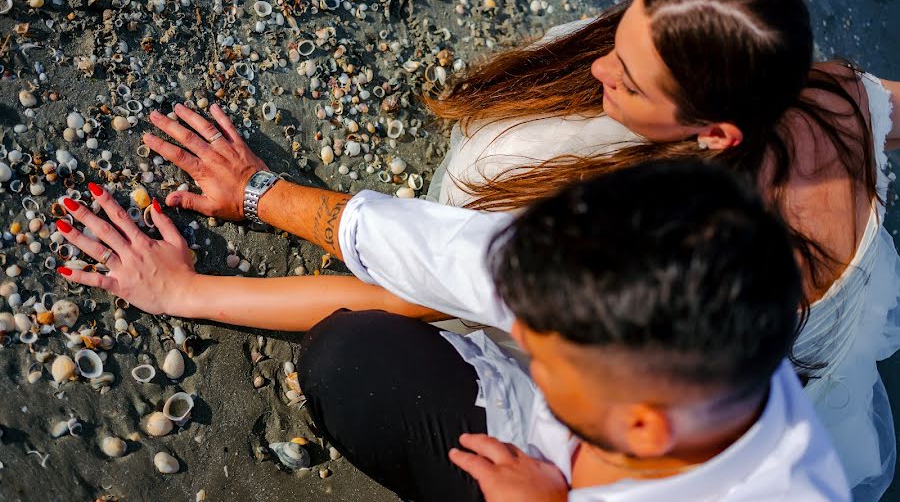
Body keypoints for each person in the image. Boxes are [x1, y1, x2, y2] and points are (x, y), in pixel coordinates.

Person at [55, 0, 900, 498]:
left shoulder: (662, 313)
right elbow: (458, 262)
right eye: (623, 35)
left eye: (630, 80)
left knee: (355, 363)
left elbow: (428, 289)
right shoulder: (827, 94)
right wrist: (259, 195)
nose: (599, 64)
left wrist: (192, 287)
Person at [57, 160, 852, 500]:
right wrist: (192, 285)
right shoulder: (617, 287)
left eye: (540, 346)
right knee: (353, 356)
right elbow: (425, 271)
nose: (517, 332)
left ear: (637, 425)